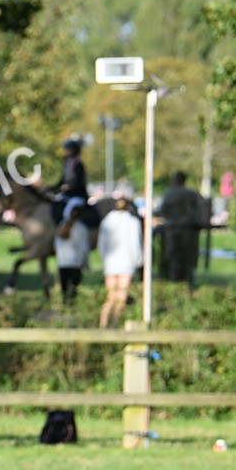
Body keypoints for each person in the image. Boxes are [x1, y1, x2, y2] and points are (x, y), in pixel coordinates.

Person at [97, 198, 143, 328]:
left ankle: (103, 323)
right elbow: (136, 243)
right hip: (126, 263)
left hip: (111, 263)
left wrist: (105, 260)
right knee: (121, 296)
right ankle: (115, 324)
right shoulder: (133, 222)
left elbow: (101, 245)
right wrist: (138, 261)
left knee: (111, 295)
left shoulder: (107, 221)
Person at [159, 171, 206, 287]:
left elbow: (163, 211)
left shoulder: (169, 194)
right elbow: (201, 208)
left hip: (173, 228)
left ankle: (175, 281)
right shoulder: (191, 194)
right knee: (187, 257)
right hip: (188, 229)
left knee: (173, 256)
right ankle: (188, 281)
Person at [50, 138, 89, 239]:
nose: (65, 152)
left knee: (68, 211)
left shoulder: (78, 165)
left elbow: (78, 183)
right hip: (67, 194)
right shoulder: (67, 164)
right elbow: (62, 181)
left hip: (77, 195)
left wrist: (67, 188)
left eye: (68, 149)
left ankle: (67, 232)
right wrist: (52, 188)